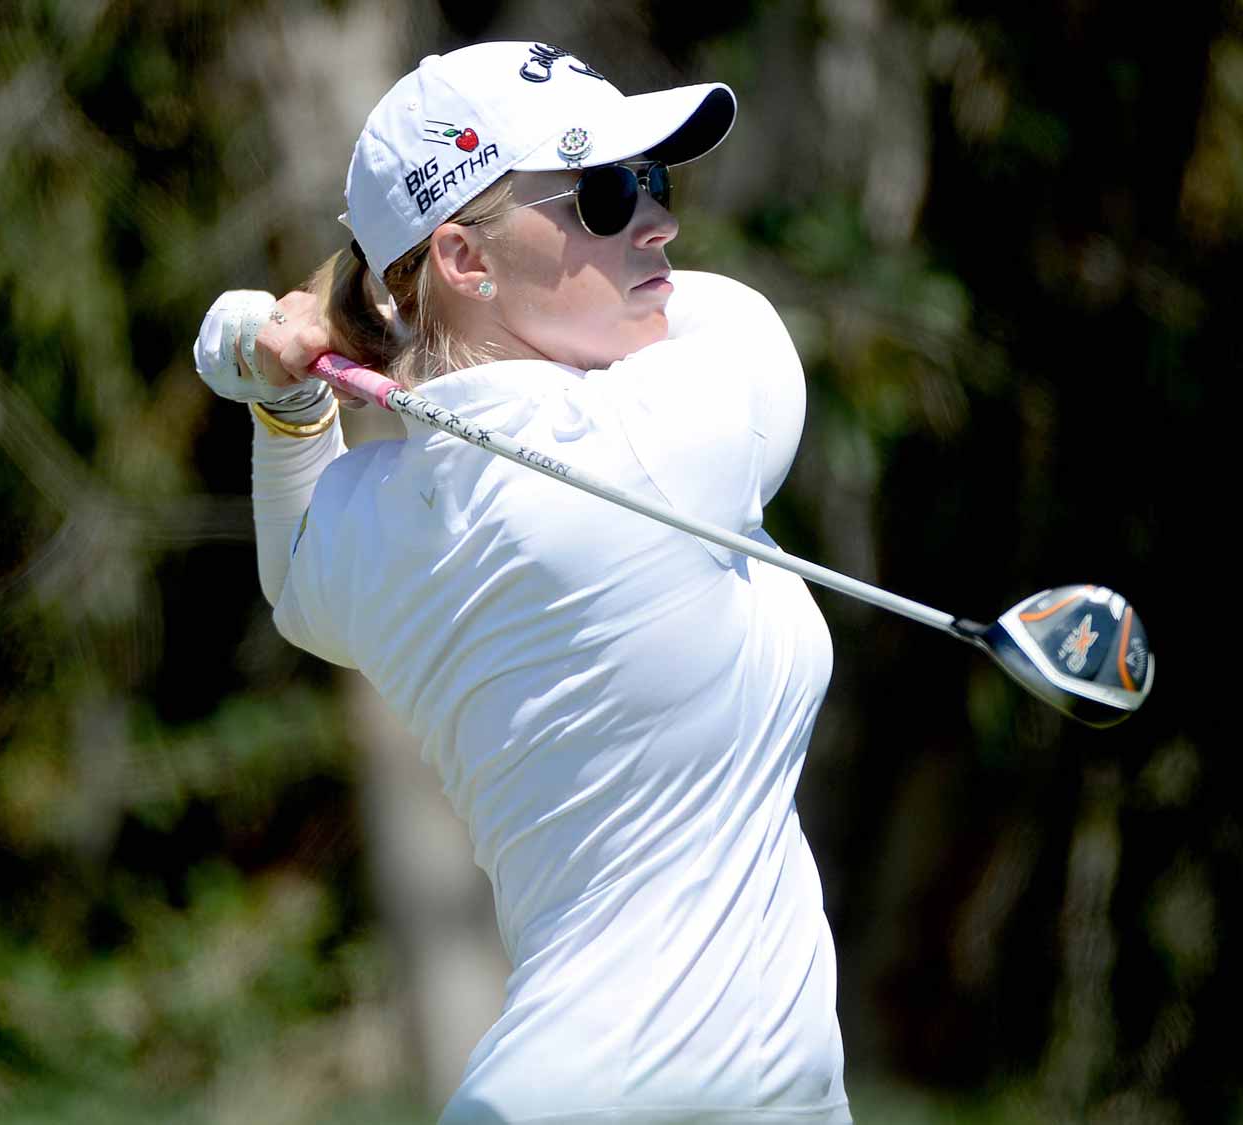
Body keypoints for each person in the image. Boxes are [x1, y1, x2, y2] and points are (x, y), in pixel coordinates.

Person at [190, 41, 849, 1125]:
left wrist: (287, 384)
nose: (657, 222)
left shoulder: (374, 522)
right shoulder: (668, 433)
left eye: (653, 181)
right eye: (598, 193)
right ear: (462, 257)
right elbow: (734, 314)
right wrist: (316, 332)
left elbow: (294, 579)